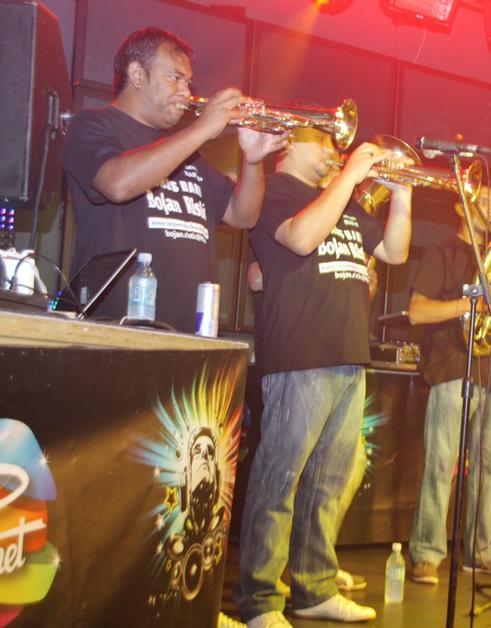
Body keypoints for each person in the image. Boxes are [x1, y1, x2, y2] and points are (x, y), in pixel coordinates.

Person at [236, 126, 412, 627]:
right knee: (280, 480)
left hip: (349, 353)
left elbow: (395, 252)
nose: (336, 151)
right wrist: (351, 175)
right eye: (326, 143)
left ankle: (314, 587)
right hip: (301, 354)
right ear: (290, 145)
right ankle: (260, 600)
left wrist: (402, 195)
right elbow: (301, 238)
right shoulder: (273, 192)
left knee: (328, 484)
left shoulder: (343, 200)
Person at [62, 27, 286, 331]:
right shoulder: (91, 125)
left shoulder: (184, 150)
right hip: (115, 327)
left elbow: (242, 215)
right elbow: (117, 184)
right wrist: (203, 128)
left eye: (188, 82)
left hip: (187, 331)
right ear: (137, 75)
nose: (186, 92)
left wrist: (254, 160)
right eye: (175, 78)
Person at [407, 187, 491, 585]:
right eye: (482, 201)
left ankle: (480, 551)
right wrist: (474, 304)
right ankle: (427, 553)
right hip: (451, 367)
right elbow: (417, 312)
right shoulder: (441, 252)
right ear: (460, 207)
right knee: (442, 463)